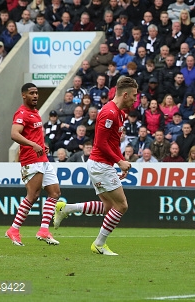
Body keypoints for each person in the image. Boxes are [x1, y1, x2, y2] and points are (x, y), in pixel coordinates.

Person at [54, 77, 138, 256]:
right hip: (100, 164)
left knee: (108, 208)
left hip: (101, 164)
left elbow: (112, 142)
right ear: (125, 94)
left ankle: (66, 208)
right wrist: (119, 161)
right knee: (122, 206)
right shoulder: (109, 113)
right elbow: (100, 143)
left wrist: (120, 161)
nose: (135, 99)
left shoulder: (119, 113)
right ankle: (99, 243)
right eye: (134, 96)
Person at [7, 83, 63, 246]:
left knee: (55, 193)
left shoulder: (35, 112)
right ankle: (14, 229)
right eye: (31, 93)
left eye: (36, 93)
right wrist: (33, 144)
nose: (35, 96)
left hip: (42, 158)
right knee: (33, 195)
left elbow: (34, 134)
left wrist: (41, 144)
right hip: (31, 159)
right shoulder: (22, 113)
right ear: (24, 95)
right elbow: (14, 134)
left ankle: (44, 230)